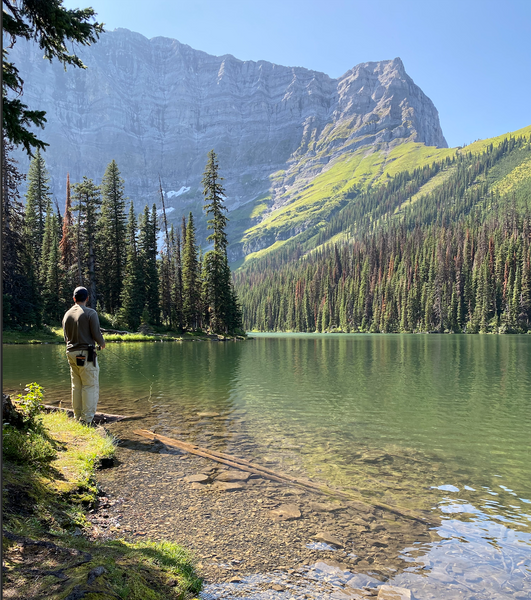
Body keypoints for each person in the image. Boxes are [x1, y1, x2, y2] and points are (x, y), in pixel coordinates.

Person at [62, 286, 106, 425]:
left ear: (74, 298)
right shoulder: (90, 313)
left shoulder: (67, 314)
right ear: (87, 298)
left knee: (76, 386)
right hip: (86, 355)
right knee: (90, 386)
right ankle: (87, 420)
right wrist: (102, 343)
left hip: (71, 353)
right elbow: (96, 334)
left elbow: (66, 338)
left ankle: (77, 417)